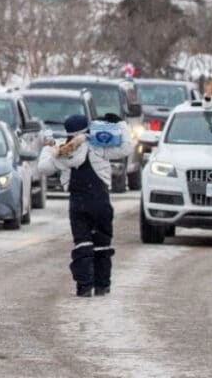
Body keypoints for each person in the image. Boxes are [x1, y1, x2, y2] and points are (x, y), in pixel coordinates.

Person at [38, 114, 134, 297]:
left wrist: (49, 148)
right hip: (100, 201)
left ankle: (83, 287)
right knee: (102, 244)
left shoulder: (62, 152)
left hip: (77, 203)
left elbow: (43, 168)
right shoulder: (97, 146)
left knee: (82, 244)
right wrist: (120, 124)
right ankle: (102, 285)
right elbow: (126, 147)